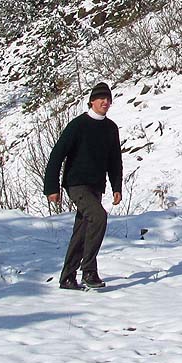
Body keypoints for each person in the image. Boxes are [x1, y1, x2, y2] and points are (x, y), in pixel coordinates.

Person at [44, 81, 123, 290]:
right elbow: (57, 155)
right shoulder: (78, 125)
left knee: (82, 230)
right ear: (92, 101)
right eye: (101, 98)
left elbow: (115, 160)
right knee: (98, 217)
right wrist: (51, 187)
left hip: (96, 185)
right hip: (76, 183)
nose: (105, 102)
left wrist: (117, 186)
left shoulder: (110, 128)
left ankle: (67, 277)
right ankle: (89, 270)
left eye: (108, 99)